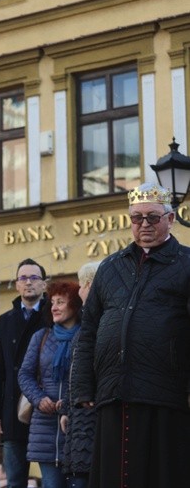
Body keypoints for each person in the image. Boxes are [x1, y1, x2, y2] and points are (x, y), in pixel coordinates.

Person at [70, 182, 190, 487]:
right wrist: (84, 386)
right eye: (137, 218)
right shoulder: (110, 267)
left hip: (166, 392)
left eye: (152, 217)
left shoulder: (186, 263)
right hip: (114, 391)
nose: (144, 225)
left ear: (170, 219)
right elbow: (89, 329)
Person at [0, 259, 47, 488]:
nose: (28, 282)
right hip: (13, 412)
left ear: (44, 284)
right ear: (16, 285)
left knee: (53, 479)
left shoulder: (55, 314)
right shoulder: (6, 320)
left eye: (34, 278)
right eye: (23, 278)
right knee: (15, 482)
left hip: (45, 407)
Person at [18, 281, 82, 488]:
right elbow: (25, 375)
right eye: (52, 302)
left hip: (78, 427)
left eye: (61, 302)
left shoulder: (87, 337)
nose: (54, 307)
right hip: (44, 428)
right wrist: (38, 399)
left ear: (75, 305)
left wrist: (70, 404)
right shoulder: (41, 337)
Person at [59, 261, 100, 488]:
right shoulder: (87, 322)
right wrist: (66, 409)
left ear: (90, 285)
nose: (79, 291)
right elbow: (74, 373)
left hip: (90, 417)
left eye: (82, 285)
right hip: (79, 419)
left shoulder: (98, 322)